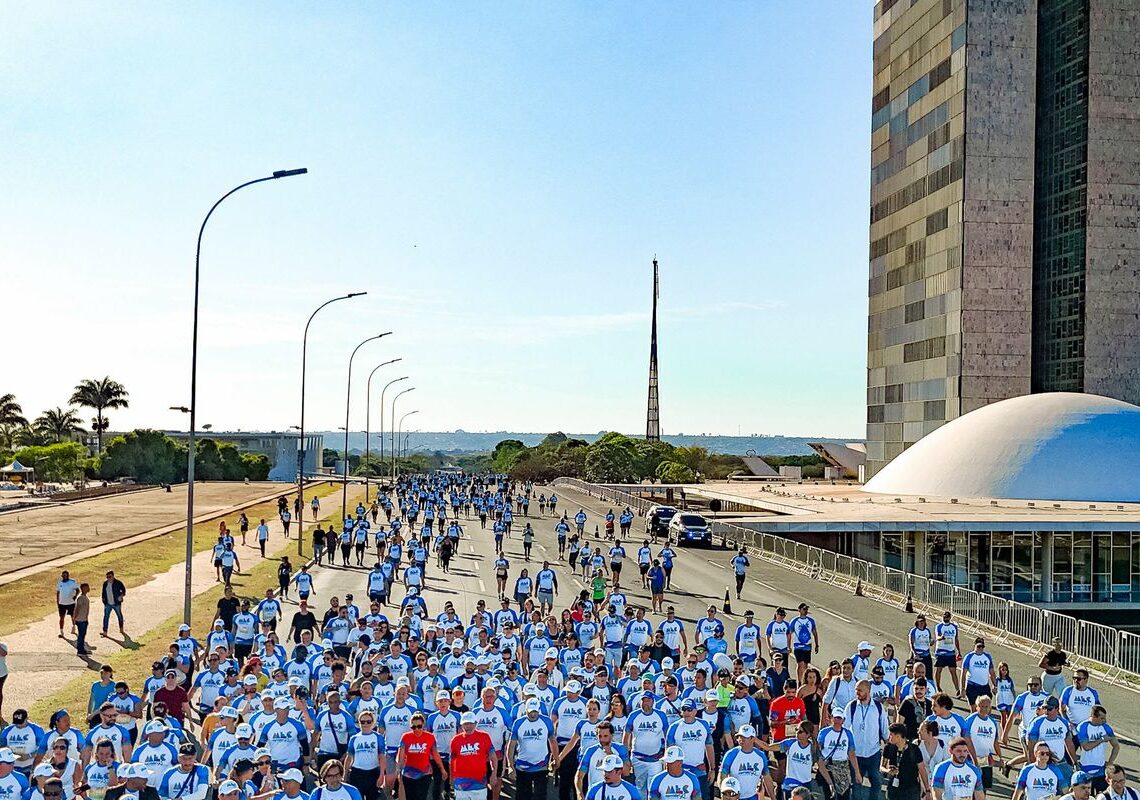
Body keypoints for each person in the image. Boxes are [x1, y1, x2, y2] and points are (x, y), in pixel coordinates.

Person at [507, 699, 556, 800]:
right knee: (523, 796)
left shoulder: (546, 721)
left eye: (535, 712)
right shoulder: (518, 723)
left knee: (540, 796)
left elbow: (552, 741)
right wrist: (510, 766)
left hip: (541, 766)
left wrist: (556, 758)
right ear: (526, 710)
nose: (533, 714)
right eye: (530, 712)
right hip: (522, 766)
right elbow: (511, 746)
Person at [397, 712, 446, 800]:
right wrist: (399, 769)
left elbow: (435, 754)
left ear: (423, 724)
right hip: (409, 773)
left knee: (421, 796)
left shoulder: (430, 737)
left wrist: (442, 769)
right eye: (413, 727)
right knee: (410, 797)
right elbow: (401, 755)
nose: (416, 729)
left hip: (425, 773)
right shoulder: (405, 737)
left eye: (419, 726)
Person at [449, 711, 496, 800]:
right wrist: (451, 778)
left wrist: (494, 773)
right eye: (465, 724)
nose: (468, 726)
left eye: (471, 723)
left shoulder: (484, 737)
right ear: (461, 725)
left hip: (479, 782)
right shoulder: (455, 740)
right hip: (461, 783)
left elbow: (493, 757)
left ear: (475, 723)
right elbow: (451, 761)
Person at [881, 723, 927, 800]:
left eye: (891, 735)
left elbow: (922, 770)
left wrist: (927, 789)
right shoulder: (888, 748)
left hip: (911, 788)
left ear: (898, 736)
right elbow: (881, 766)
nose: (889, 737)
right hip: (894, 787)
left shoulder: (914, 749)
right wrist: (887, 771)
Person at [99, 571, 127, 639]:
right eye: (107, 577)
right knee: (106, 617)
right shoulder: (105, 583)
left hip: (116, 603)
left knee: (119, 615)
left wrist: (121, 596)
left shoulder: (118, 583)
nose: (108, 578)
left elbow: (124, 591)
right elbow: (103, 592)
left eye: (110, 577)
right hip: (108, 604)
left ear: (113, 576)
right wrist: (103, 600)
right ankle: (105, 632)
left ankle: (121, 628)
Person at [56, 571, 79, 639]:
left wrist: (75, 596)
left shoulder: (72, 582)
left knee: (73, 617)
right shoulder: (59, 583)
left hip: (71, 603)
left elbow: (78, 590)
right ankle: (61, 631)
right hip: (62, 603)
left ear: (68, 576)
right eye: (63, 576)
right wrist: (58, 601)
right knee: (61, 618)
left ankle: (74, 627)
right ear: (62, 576)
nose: (65, 577)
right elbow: (58, 592)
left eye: (66, 575)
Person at [74, 584, 92, 658]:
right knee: (81, 636)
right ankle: (80, 650)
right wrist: (74, 618)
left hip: (84, 619)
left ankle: (82, 649)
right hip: (81, 620)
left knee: (82, 635)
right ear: (83, 589)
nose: (88, 588)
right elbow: (77, 608)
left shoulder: (84, 597)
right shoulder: (81, 598)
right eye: (86, 587)